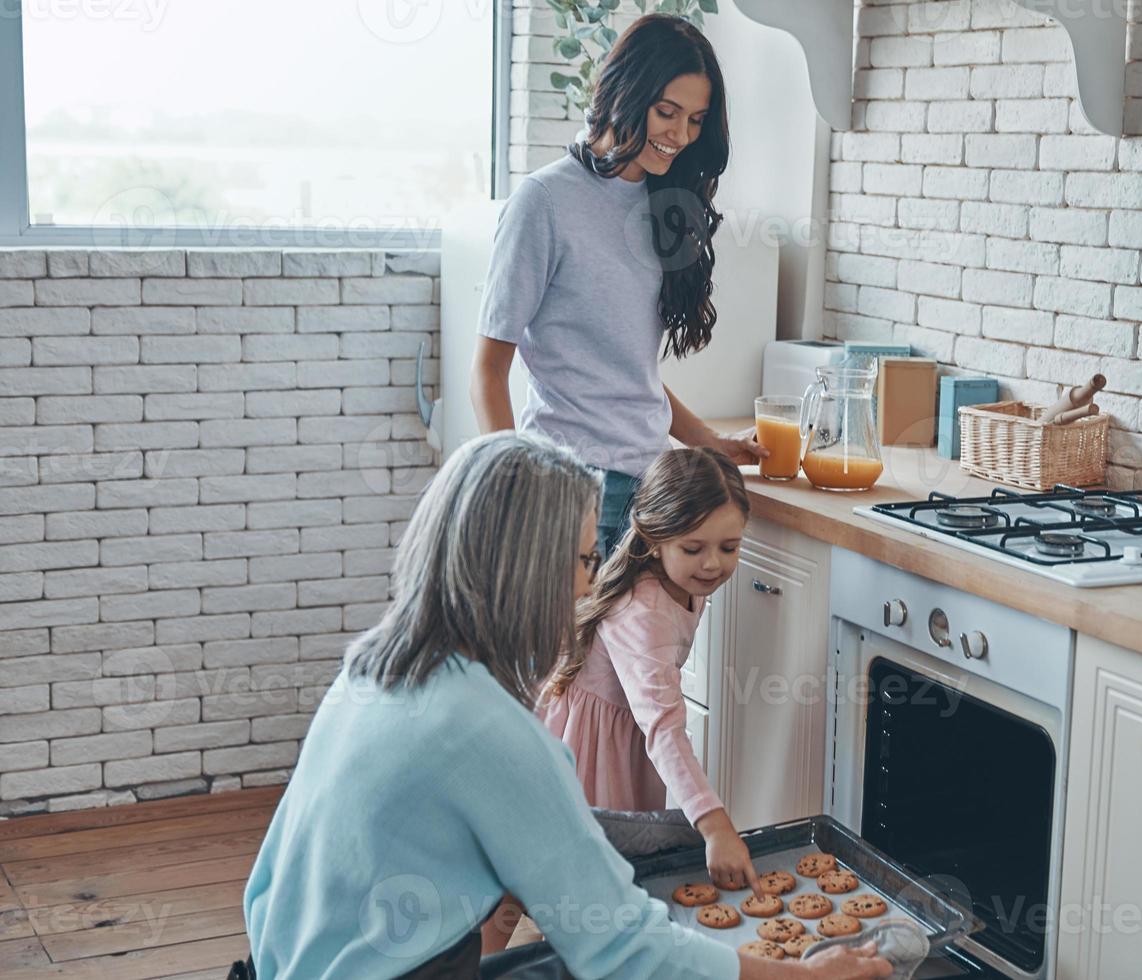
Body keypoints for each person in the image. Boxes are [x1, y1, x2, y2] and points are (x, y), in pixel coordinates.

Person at [239, 432, 890, 980]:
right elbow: (627, 949)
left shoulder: (374, 663)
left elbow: (263, 889)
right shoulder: (487, 731)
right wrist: (809, 976)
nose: (591, 582)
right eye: (582, 559)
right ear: (530, 570)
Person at [470, 13, 767, 560]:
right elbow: (488, 370)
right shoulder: (544, 201)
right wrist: (513, 488)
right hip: (572, 489)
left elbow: (631, 372)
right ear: (625, 94)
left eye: (696, 120)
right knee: (572, 649)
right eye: (666, 112)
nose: (680, 136)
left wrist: (708, 442)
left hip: (655, 488)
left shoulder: (667, 203)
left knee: (646, 651)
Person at [542, 447, 758, 894]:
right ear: (655, 540)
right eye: (694, 548)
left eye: (729, 547)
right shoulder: (643, 611)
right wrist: (714, 825)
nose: (713, 563)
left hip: (628, 740)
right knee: (582, 885)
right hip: (595, 752)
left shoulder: (682, 581)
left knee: (595, 886)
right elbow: (663, 725)